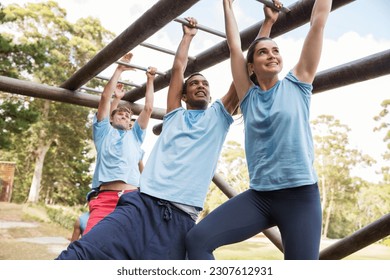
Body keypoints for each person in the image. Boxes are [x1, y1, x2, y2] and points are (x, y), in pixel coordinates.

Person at [56, 16, 242, 260]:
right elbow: (178, 69)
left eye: (205, 83)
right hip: (142, 204)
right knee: (79, 256)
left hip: (181, 217)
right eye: (194, 83)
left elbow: (241, 67)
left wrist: (266, 26)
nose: (200, 86)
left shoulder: (219, 116)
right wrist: (187, 37)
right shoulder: (174, 115)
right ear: (183, 96)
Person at [186, 0, 328, 260]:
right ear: (250, 67)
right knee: (197, 240)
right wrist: (227, 5)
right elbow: (234, 46)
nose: (272, 54)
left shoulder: (298, 83)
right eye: (263, 52)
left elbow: (317, 23)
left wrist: (270, 23)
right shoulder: (248, 96)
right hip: (261, 198)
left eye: (275, 50)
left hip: (300, 197)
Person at [83, 52, 157, 235]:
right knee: (90, 243)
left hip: (131, 199)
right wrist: (119, 69)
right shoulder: (103, 133)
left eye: (127, 116)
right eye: (120, 114)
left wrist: (150, 80)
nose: (124, 117)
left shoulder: (135, 136)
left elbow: (148, 108)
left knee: (130, 246)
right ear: (111, 118)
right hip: (105, 198)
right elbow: (104, 99)